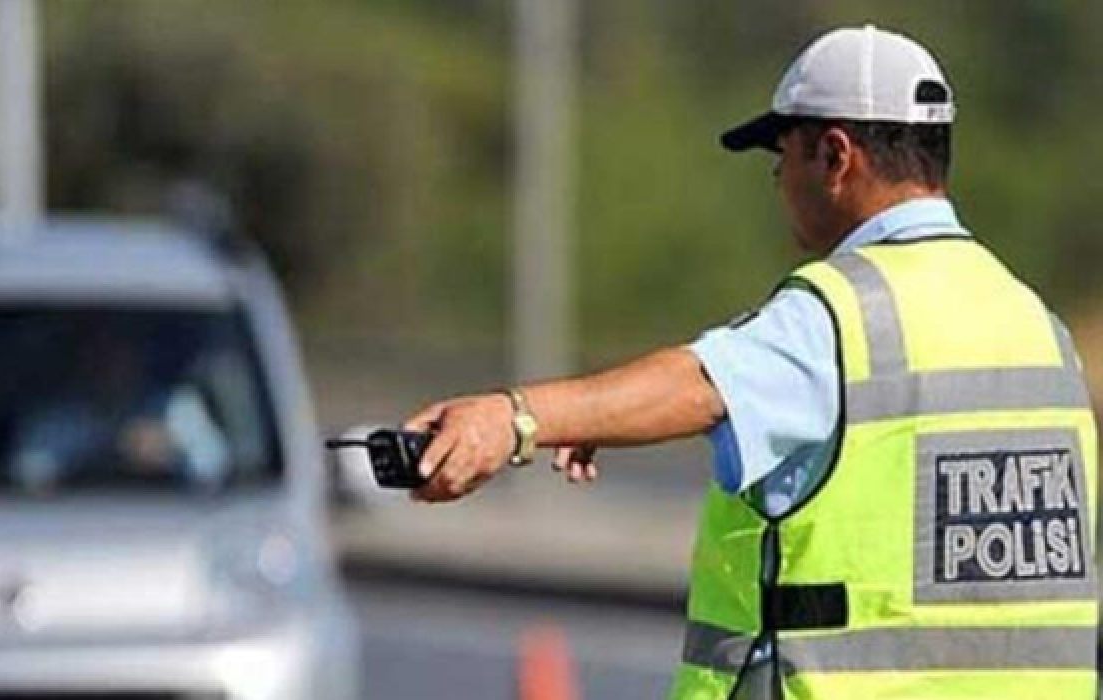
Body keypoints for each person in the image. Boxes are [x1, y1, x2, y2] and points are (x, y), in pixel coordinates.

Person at [403, 25, 1098, 700]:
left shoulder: (841, 313)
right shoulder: (1037, 326)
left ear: (835, 155)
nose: (776, 178)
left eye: (782, 153)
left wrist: (515, 418)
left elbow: (700, 383)